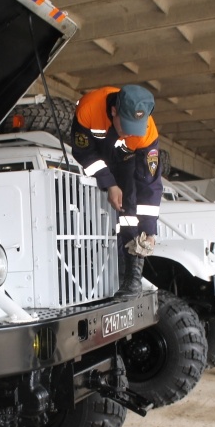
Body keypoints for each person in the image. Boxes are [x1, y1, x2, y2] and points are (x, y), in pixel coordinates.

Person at [71, 85, 163, 299]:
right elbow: (83, 152)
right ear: (114, 111)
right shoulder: (88, 109)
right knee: (87, 214)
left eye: (135, 128)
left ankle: (132, 278)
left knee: (130, 210)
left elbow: (149, 183)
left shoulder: (148, 132)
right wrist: (109, 183)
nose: (130, 133)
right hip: (96, 160)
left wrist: (149, 230)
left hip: (126, 162)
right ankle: (87, 269)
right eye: (127, 126)